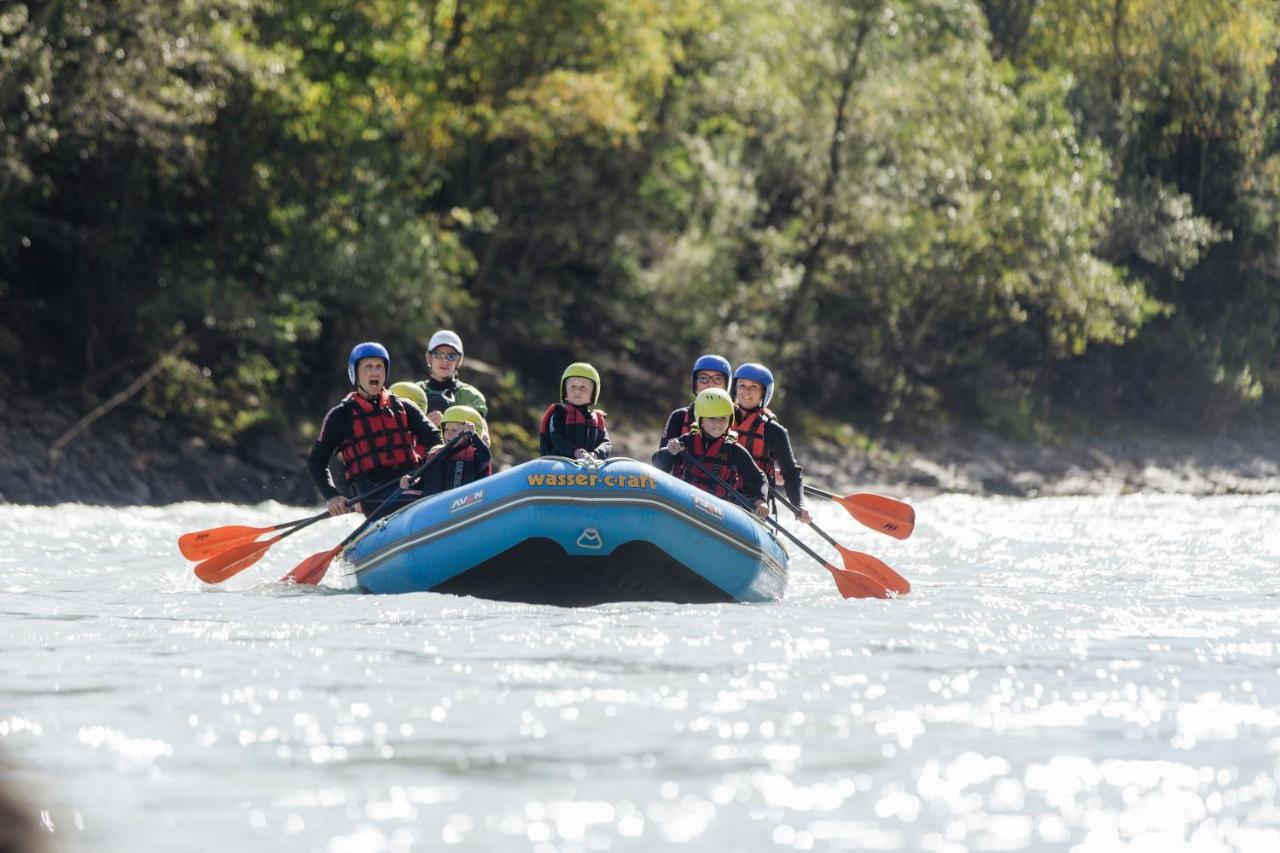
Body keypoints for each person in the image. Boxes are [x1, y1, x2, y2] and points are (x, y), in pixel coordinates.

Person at [307, 342, 443, 520]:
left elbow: (435, 438)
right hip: (372, 492)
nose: (374, 372)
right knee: (415, 499)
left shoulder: (404, 407)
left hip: (410, 480)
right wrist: (332, 496)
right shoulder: (340, 416)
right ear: (355, 373)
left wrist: (436, 449)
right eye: (368, 367)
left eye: (379, 366)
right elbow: (316, 461)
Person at [652, 387, 769, 519]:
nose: (718, 424)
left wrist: (761, 500)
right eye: (712, 419)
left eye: (723, 419)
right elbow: (658, 463)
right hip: (685, 504)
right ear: (700, 420)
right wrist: (669, 452)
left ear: (730, 421)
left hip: (719, 513)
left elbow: (759, 476)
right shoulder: (686, 442)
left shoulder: (734, 450)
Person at [730, 362, 811, 523]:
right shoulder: (719, 419)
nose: (746, 391)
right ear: (735, 389)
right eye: (742, 385)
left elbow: (791, 472)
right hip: (721, 492)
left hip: (754, 501)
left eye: (754, 387)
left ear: (763, 393)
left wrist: (799, 504)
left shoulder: (773, 431)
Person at [539, 362, 612, 460]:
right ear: (565, 391)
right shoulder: (559, 413)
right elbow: (557, 439)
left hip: (590, 465)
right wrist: (576, 452)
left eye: (583, 387)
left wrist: (596, 454)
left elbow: (606, 443)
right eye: (572, 387)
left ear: (593, 393)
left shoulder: (597, 420)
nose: (577, 391)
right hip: (558, 466)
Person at [413, 405, 492, 495]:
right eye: (446, 429)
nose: (448, 434)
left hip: (462, 504)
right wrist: (411, 482)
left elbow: (485, 457)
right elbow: (423, 481)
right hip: (435, 505)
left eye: (454, 430)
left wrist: (474, 435)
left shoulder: (475, 456)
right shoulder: (435, 453)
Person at [415, 329, 488, 424]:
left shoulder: (469, 396)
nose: (445, 361)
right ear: (428, 357)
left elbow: (481, 431)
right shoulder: (415, 391)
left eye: (451, 356)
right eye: (438, 355)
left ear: (459, 360)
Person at [659, 354, 732, 447]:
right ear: (695, 383)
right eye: (703, 378)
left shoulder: (736, 417)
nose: (710, 384)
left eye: (718, 379)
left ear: (727, 384)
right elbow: (661, 459)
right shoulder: (679, 417)